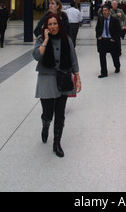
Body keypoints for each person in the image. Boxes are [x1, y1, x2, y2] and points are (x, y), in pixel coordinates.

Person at [33, 13, 81, 157]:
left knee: (60, 114)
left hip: (63, 79)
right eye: (50, 25)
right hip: (46, 79)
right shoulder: (41, 39)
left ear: (59, 25)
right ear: (46, 27)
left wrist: (77, 77)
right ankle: (45, 124)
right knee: (48, 112)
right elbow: (36, 56)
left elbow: (73, 59)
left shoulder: (67, 39)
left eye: (55, 24)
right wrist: (46, 40)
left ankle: (56, 143)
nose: (53, 27)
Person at [95, 4, 121, 78]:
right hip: (102, 40)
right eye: (103, 11)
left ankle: (117, 66)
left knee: (115, 55)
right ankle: (104, 72)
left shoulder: (114, 20)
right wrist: (98, 36)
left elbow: (118, 31)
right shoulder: (100, 19)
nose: (104, 12)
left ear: (109, 11)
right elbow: (97, 29)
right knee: (102, 56)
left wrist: (114, 38)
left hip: (111, 40)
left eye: (106, 10)